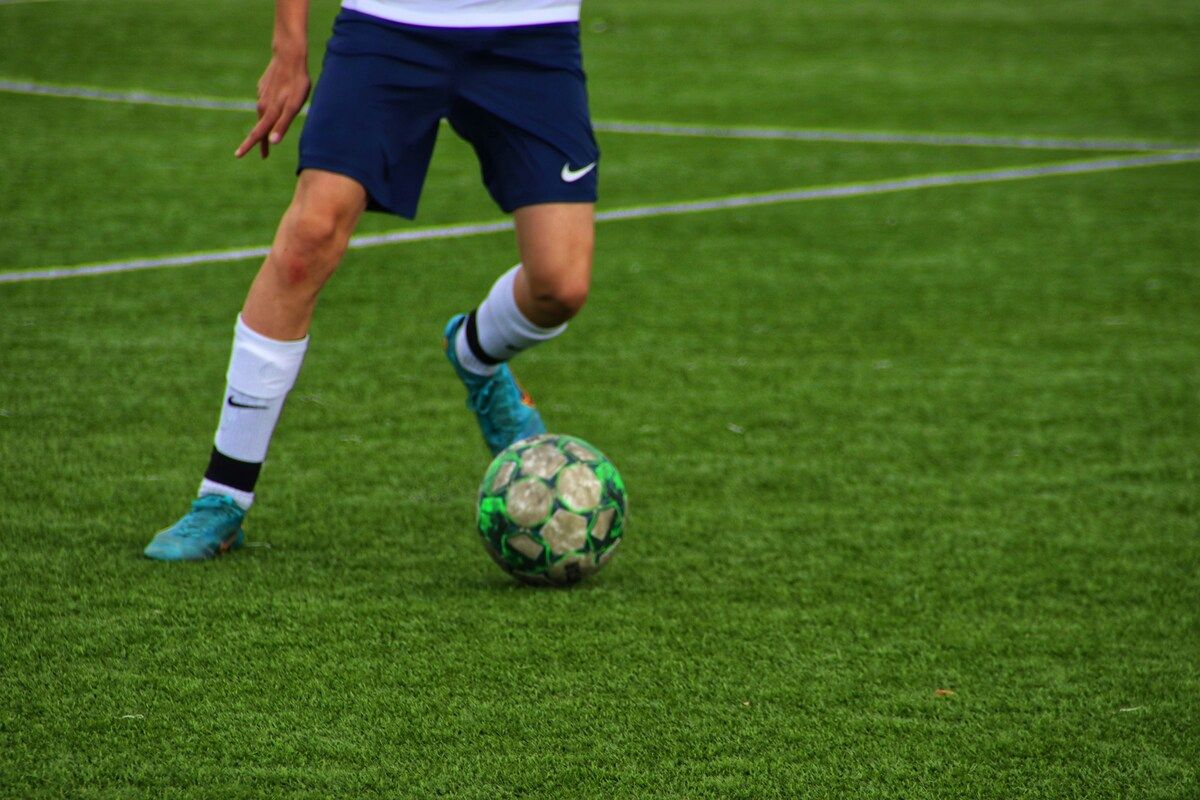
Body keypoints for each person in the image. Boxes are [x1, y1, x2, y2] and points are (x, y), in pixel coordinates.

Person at [144, 0, 599, 560]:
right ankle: (222, 498)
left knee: (561, 285)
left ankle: (476, 353)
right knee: (307, 240)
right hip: (389, 25)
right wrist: (289, 47)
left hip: (533, 32)